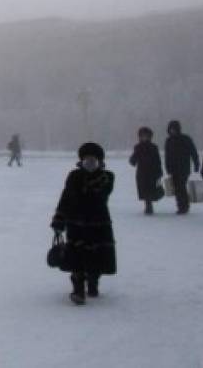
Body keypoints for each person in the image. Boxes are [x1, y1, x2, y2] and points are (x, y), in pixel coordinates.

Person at [51, 142, 117, 305]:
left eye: (93, 160)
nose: (89, 164)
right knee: (76, 256)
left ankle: (93, 281)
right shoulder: (74, 176)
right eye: (86, 160)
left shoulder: (106, 177)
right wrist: (59, 219)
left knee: (97, 255)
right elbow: (65, 197)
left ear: (99, 161)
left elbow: (102, 194)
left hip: (98, 223)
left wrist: (91, 180)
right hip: (76, 223)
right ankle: (78, 288)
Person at [164, 120, 199, 214]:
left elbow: (193, 152)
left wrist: (196, 164)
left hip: (184, 168)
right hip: (173, 168)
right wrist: (167, 167)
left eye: (174, 129)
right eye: (171, 129)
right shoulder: (169, 141)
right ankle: (181, 205)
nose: (172, 131)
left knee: (181, 186)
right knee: (177, 187)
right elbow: (167, 155)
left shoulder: (186, 139)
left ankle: (183, 206)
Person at [129, 126, 163, 214]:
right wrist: (132, 160)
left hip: (152, 172)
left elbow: (157, 160)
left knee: (150, 189)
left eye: (146, 136)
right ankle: (148, 205)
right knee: (144, 190)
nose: (144, 138)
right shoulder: (138, 147)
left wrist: (159, 171)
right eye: (142, 136)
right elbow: (134, 159)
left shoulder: (153, 147)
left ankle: (149, 206)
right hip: (142, 172)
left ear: (149, 137)